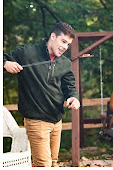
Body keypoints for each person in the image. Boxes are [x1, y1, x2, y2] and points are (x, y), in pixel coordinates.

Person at [3, 21, 81, 167]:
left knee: (52, 163)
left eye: (68, 44)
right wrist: (4, 64)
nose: (65, 47)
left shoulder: (65, 63)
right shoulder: (27, 53)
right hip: (36, 120)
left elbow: (69, 87)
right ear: (53, 36)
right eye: (63, 41)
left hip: (56, 121)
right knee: (43, 165)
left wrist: (73, 97)